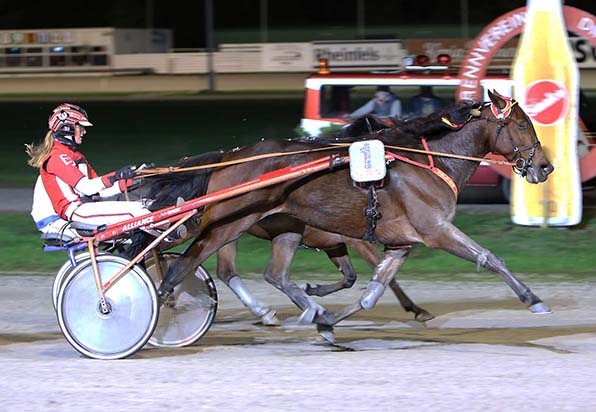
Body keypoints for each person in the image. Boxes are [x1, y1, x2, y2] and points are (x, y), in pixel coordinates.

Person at [26, 103, 150, 239]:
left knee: (145, 205)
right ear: (67, 128)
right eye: (81, 127)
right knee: (136, 212)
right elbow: (87, 188)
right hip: (72, 214)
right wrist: (117, 175)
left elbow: (101, 191)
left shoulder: (75, 156)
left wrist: (135, 179)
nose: (84, 131)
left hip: (82, 209)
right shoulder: (57, 156)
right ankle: (172, 235)